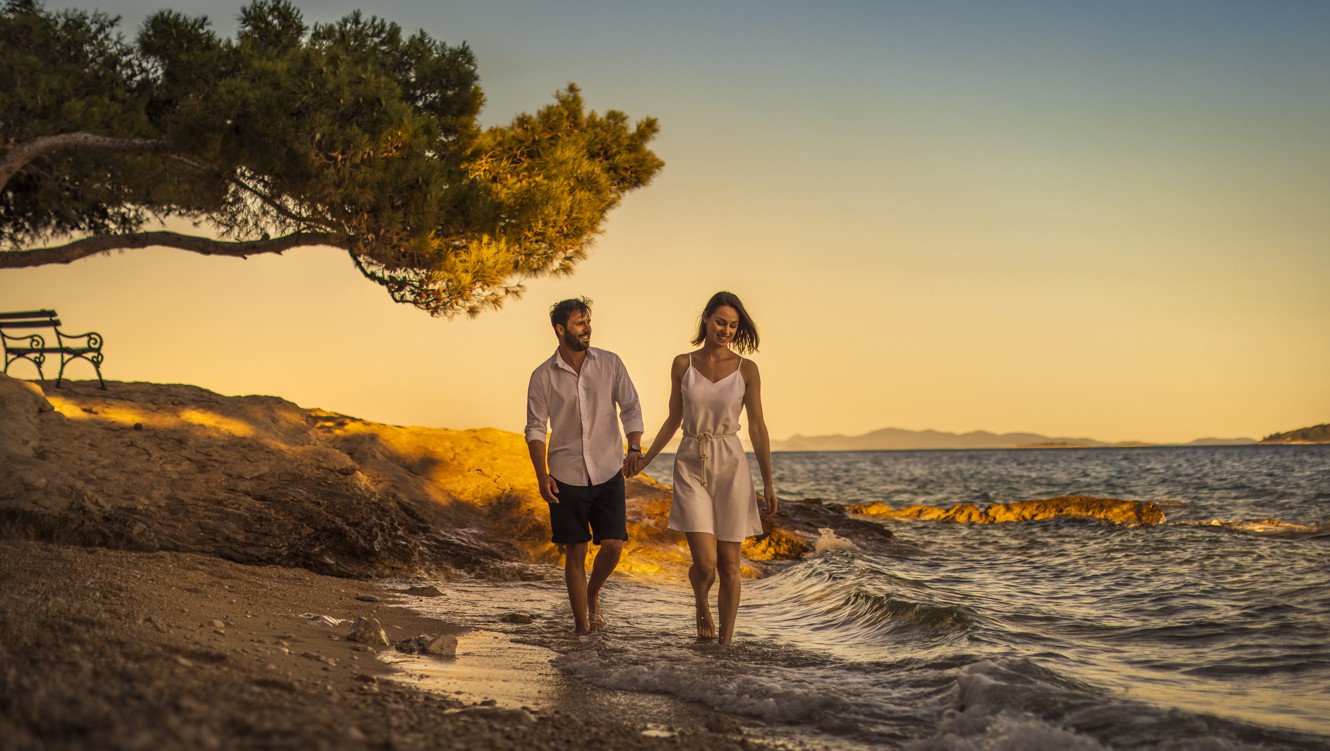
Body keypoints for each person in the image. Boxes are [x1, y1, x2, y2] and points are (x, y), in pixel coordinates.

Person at [626, 291, 777, 645]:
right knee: (706, 563)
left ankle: (725, 645)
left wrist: (768, 483)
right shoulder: (683, 364)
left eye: (733, 325)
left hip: (731, 463)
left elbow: (757, 427)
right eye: (721, 322)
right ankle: (700, 602)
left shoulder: (747, 370)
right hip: (691, 459)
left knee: (729, 563)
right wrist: (645, 458)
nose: (726, 330)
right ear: (707, 319)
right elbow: (673, 419)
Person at [526, 297, 644, 636]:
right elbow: (535, 428)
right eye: (580, 323)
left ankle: (593, 594)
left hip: (608, 469)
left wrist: (634, 445)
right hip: (566, 475)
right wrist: (541, 474)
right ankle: (581, 631)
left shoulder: (610, 364)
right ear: (561, 330)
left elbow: (631, 407)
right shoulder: (542, 377)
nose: (588, 328)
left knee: (613, 545)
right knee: (574, 553)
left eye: (589, 322)